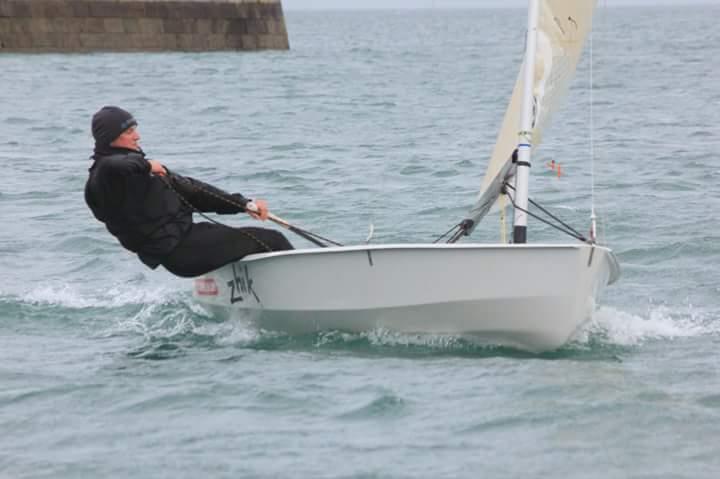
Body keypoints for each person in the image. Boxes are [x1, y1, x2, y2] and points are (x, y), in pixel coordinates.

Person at [84, 106, 293, 278]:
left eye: (135, 130)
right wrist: (147, 165)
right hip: (180, 250)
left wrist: (244, 204)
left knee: (258, 242)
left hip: (189, 240)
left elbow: (195, 192)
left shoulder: (141, 169)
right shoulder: (105, 175)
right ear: (110, 138)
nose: (137, 136)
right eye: (129, 132)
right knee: (273, 240)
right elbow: (114, 167)